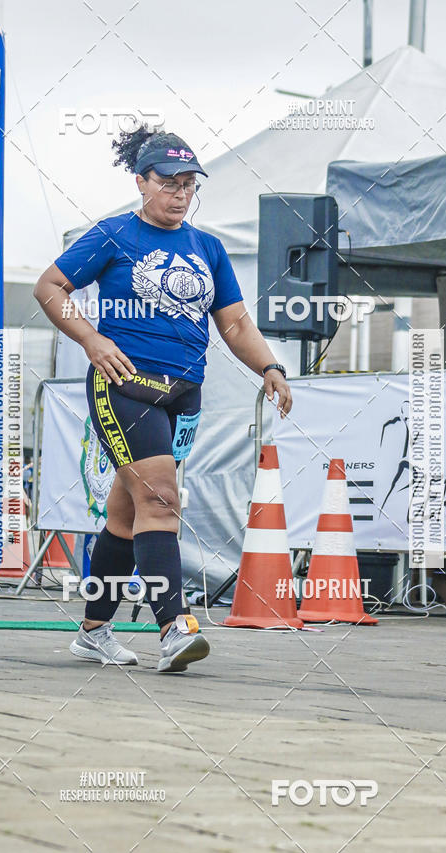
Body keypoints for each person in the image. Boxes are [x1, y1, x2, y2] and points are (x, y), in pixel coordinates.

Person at [34, 124, 292, 673]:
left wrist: (269, 366)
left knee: (129, 513)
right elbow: (50, 287)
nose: (180, 194)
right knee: (163, 501)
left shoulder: (208, 247)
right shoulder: (113, 235)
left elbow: (236, 324)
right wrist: (92, 339)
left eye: (189, 185)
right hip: (125, 384)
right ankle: (173, 627)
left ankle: (93, 632)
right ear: (141, 182)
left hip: (184, 395)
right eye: (169, 183)